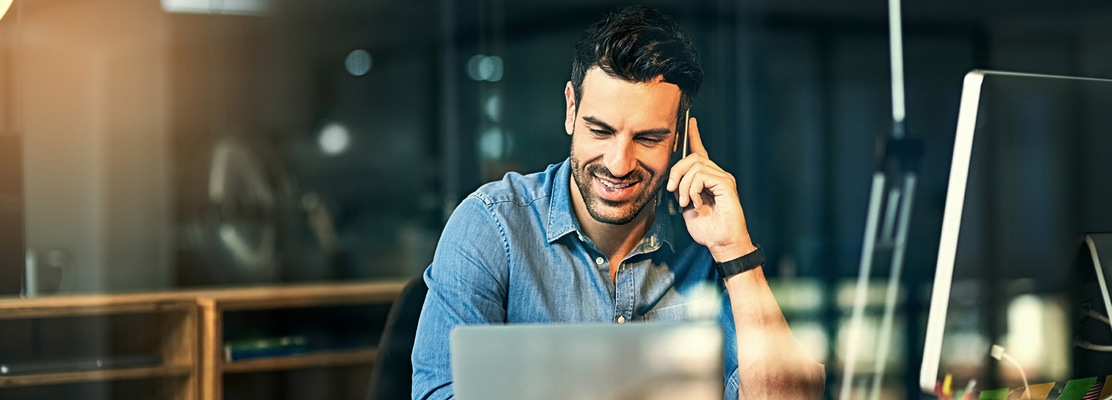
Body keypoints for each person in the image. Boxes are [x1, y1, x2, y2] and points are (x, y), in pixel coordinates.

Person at [411, 5, 825, 399]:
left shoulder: (707, 244)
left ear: (678, 137)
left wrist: (734, 252)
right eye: (600, 130)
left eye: (647, 138)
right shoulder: (492, 226)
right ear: (572, 109)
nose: (618, 163)